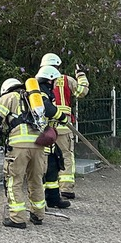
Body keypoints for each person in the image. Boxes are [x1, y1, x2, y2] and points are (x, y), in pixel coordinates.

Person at [0, 77, 57, 229]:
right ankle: (38, 214)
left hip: (18, 146)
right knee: (36, 179)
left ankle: (17, 218)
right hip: (39, 145)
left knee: (15, 180)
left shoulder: (8, 97)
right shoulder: (34, 99)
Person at [40, 52, 90, 200]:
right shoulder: (66, 80)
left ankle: (46, 188)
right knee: (66, 156)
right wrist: (81, 75)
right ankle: (66, 188)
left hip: (45, 128)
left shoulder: (36, 81)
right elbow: (82, 91)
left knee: (46, 158)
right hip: (63, 127)